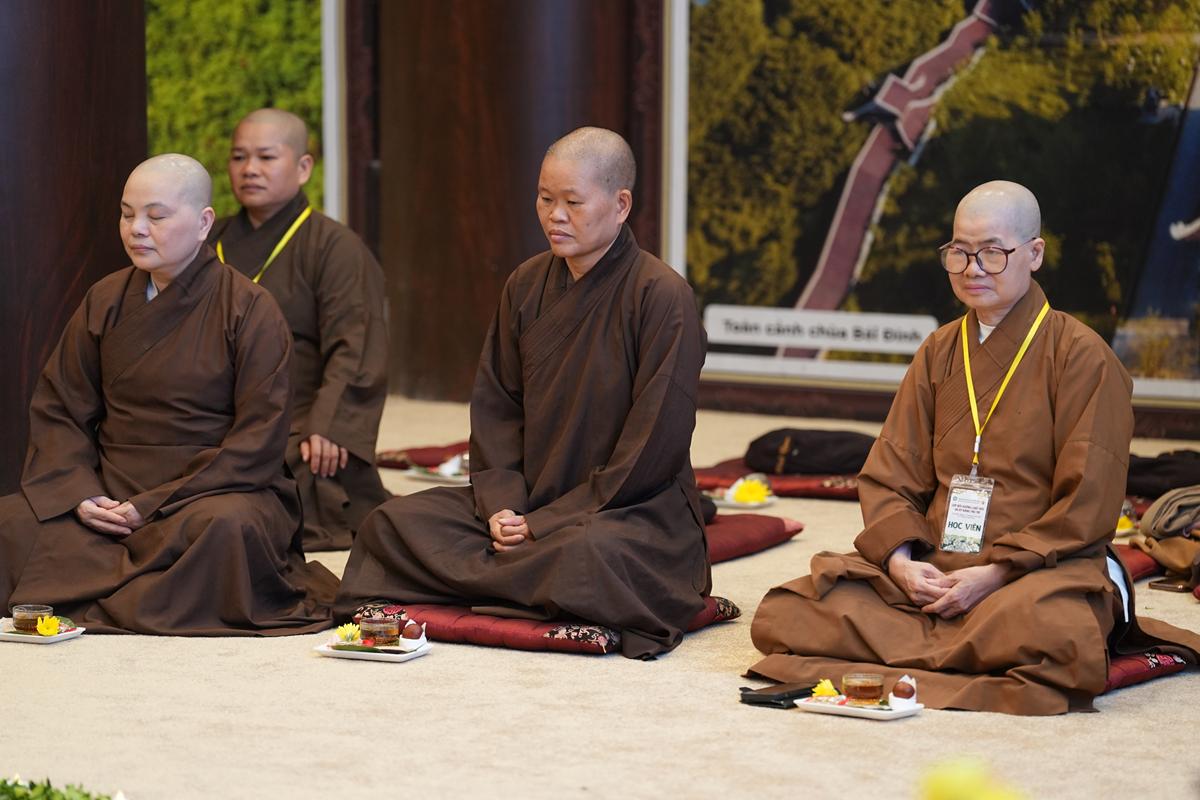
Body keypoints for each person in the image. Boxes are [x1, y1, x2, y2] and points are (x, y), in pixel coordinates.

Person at [749, 181, 1200, 714]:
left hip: (1034, 572)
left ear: (1035, 254)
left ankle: (932, 646)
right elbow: (890, 473)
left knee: (1056, 633)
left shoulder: (1083, 357)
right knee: (791, 610)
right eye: (959, 252)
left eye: (991, 252)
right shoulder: (939, 350)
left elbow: (1088, 503)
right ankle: (956, 647)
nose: (973, 269)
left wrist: (994, 574)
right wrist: (901, 563)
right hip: (936, 563)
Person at [335, 127, 710, 658]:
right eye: (544, 198)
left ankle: (507, 578)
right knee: (389, 525)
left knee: (588, 555)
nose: (555, 216)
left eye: (573, 202)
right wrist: (503, 507)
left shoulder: (662, 296)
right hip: (527, 500)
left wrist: (546, 523)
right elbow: (496, 407)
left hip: (625, 511)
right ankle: (523, 583)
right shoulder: (526, 284)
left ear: (621, 205)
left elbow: (653, 445)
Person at [0, 154, 336, 634]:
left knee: (227, 530)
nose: (136, 229)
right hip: (112, 486)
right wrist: (80, 492)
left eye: (155, 216)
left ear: (203, 223)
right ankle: (137, 592)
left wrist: (153, 504)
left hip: (209, 490)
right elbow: (60, 408)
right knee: (12, 521)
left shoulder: (249, 308)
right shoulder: (105, 299)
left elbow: (258, 439)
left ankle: (96, 594)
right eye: (127, 214)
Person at [208, 108, 390, 552]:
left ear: (304, 167)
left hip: (292, 420)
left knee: (297, 473)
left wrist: (331, 424)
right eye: (239, 157)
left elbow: (355, 343)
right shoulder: (208, 241)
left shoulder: (335, 247)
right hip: (208, 413)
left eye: (266, 157)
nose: (249, 169)